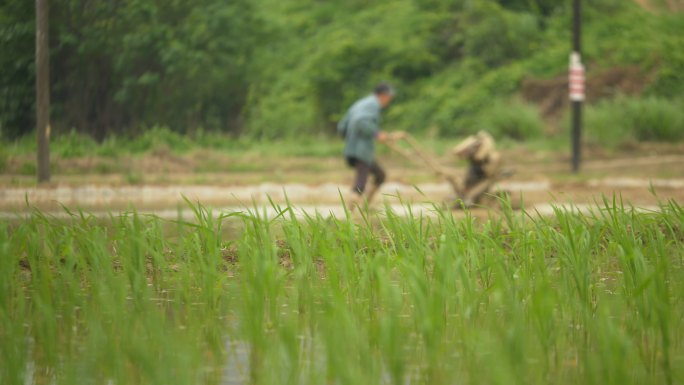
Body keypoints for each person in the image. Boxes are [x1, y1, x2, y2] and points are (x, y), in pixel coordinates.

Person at [337, 83, 403, 208]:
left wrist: (351, 140)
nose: (388, 101)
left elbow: (342, 126)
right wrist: (376, 133)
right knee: (361, 182)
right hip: (362, 150)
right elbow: (360, 121)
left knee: (380, 175)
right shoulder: (373, 104)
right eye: (389, 98)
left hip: (353, 147)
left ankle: (365, 206)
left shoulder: (361, 103)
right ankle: (351, 212)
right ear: (383, 96)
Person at [450, 131, 502, 208]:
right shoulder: (473, 152)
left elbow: (490, 173)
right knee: (453, 178)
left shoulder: (493, 156)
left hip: (483, 181)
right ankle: (464, 198)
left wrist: (482, 159)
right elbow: (456, 152)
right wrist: (471, 143)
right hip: (471, 179)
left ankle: (469, 199)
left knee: (474, 192)